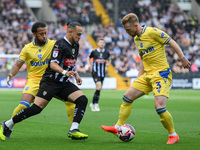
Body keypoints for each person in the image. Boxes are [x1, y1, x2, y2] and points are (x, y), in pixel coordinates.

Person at [101, 13, 191, 144]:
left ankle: (173, 135)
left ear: (136, 25)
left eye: (128, 29)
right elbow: (143, 58)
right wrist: (139, 78)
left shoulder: (153, 32)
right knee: (127, 97)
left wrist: (182, 58)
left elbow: (171, 41)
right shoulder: (136, 39)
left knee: (159, 106)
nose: (127, 32)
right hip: (147, 75)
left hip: (161, 74)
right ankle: (117, 127)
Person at [0, 22, 88, 141]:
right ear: (34, 34)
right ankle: (8, 125)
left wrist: (75, 74)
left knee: (81, 99)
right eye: (41, 34)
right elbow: (19, 64)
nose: (44, 36)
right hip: (41, 80)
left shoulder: (58, 44)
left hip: (60, 81)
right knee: (30, 107)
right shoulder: (29, 48)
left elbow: (68, 63)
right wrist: (11, 74)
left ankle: (74, 129)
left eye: (46, 33)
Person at [87, 38, 110, 111]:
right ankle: (96, 104)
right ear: (97, 43)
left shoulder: (106, 52)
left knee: (98, 89)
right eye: (100, 42)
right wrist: (89, 65)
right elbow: (88, 58)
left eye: (103, 42)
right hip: (95, 72)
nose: (102, 44)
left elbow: (109, 59)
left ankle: (93, 103)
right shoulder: (94, 52)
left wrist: (108, 63)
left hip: (103, 73)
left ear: (104, 44)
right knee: (99, 86)